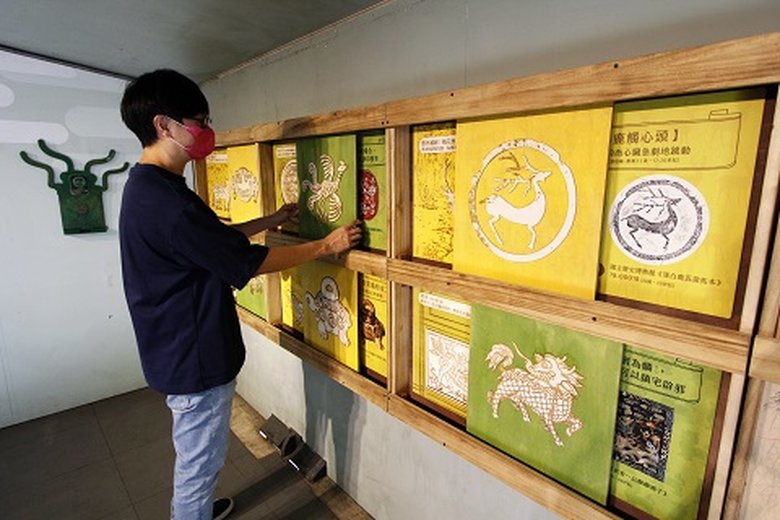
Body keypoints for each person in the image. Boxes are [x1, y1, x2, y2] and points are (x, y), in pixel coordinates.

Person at [118, 69, 361, 520]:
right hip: (194, 359)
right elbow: (243, 262)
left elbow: (209, 241)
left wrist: (270, 220)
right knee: (199, 463)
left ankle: (194, 510)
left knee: (196, 454)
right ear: (163, 124)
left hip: (173, 348)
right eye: (199, 121)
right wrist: (326, 246)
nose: (207, 131)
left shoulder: (148, 188)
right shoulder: (169, 204)